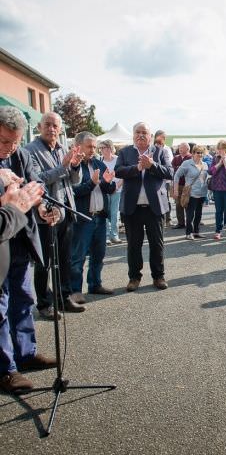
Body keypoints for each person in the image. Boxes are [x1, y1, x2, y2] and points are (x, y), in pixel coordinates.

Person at [0, 106, 59, 393]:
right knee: (0, 306)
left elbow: (37, 188)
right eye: (3, 141)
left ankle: (25, 353)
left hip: (20, 239)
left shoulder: (20, 156)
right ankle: (6, 369)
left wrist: (46, 209)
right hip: (0, 239)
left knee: (23, 297)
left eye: (14, 141)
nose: (9, 148)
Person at [25, 112, 85, 317]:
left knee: (65, 259)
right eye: (47, 125)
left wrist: (75, 165)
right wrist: (64, 166)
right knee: (45, 262)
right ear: (39, 127)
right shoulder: (30, 151)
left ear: (60, 129)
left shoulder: (62, 148)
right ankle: (44, 304)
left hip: (66, 211)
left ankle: (64, 297)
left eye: (55, 126)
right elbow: (37, 179)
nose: (52, 129)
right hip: (45, 214)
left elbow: (74, 181)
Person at [115, 122, 173, 292]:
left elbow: (170, 172)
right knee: (133, 245)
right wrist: (138, 167)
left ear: (150, 136)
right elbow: (118, 171)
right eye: (137, 132)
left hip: (154, 207)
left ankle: (158, 276)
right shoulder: (125, 152)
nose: (140, 135)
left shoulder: (160, 151)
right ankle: (134, 277)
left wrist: (152, 166)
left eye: (144, 133)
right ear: (133, 135)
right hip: (132, 208)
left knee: (157, 244)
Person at [71, 132, 116, 302]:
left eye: (94, 146)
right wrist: (92, 183)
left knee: (99, 254)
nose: (93, 150)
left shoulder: (98, 163)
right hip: (83, 219)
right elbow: (73, 192)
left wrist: (107, 182)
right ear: (78, 146)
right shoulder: (74, 166)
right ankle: (75, 290)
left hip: (100, 217)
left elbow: (109, 190)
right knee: (78, 257)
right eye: (89, 146)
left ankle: (95, 284)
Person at [173, 145, 209, 240]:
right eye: (198, 152)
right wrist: (175, 190)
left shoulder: (205, 164)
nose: (200, 154)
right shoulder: (187, 163)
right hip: (191, 193)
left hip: (202, 193)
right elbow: (176, 176)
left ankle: (196, 232)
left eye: (201, 153)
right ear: (193, 153)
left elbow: (206, 178)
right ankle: (188, 233)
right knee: (190, 214)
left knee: (199, 214)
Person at [208, 140, 226, 240]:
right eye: (219, 149)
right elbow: (211, 171)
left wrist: (225, 161)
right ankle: (218, 231)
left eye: (223, 149)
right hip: (217, 188)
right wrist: (220, 163)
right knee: (218, 211)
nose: (221, 151)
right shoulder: (215, 158)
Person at [99, 139, 123, 244]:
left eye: (103, 148)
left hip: (117, 189)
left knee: (114, 213)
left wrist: (116, 187)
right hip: (104, 190)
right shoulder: (100, 161)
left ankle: (114, 235)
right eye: (101, 148)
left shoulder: (118, 159)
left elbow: (123, 175)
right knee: (106, 213)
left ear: (109, 148)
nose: (102, 150)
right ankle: (106, 236)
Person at [154, 130, 173, 226]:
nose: (163, 139)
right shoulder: (152, 149)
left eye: (164, 138)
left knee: (166, 198)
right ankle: (158, 219)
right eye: (161, 137)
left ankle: (168, 219)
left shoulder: (167, 149)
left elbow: (170, 163)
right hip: (156, 178)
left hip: (165, 179)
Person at [171, 143, 192, 229]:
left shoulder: (191, 158)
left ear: (187, 149)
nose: (180, 149)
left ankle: (189, 222)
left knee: (187, 203)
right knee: (178, 204)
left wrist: (179, 168)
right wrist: (180, 168)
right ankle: (180, 223)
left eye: (182, 148)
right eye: (179, 148)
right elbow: (172, 168)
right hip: (177, 184)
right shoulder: (176, 158)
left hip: (187, 185)